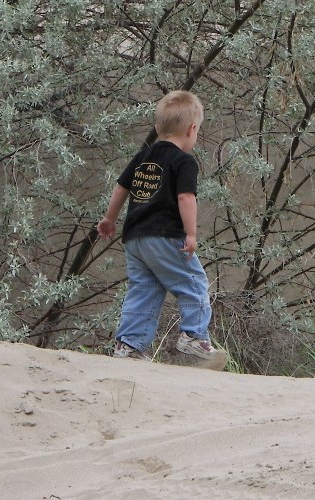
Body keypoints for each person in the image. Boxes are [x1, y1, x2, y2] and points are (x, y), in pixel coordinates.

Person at [97, 90, 215, 361]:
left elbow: (120, 188)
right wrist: (191, 233)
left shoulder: (142, 158)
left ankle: (129, 346)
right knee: (194, 282)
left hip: (135, 238)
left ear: (157, 127)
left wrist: (109, 219)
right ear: (192, 129)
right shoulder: (184, 161)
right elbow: (186, 197)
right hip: (166, 237)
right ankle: (194, 337)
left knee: (144, 289)